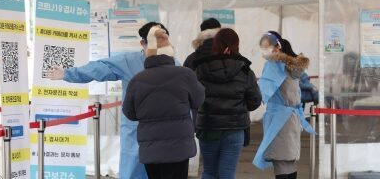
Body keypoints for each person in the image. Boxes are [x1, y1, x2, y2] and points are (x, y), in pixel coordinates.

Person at [45, 22, 170, 179]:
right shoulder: (129, 62)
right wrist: (68, 74)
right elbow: (99, 68)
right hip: (136, 133)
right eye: (152, 41)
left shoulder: (177, 67)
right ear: (142, 43)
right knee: (134, 172)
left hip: (165, 133)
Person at [122, 25, 205, 179]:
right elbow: (199, 100)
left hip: (150, 148)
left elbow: (129, 113)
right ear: (170, 52)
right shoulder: (185, 74)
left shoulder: (137, 80)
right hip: (179, 147)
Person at [193, 28, 262, 179]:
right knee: (227, 174)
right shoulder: (245, 70)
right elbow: (255, 101)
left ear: (215, 44)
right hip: (234, 128)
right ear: (236, 45)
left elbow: (194, 99)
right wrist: (240, 107)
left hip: (207, 127)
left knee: (208, 172)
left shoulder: (200, 69)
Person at [252, 31, 315, 179]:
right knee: (290, 161)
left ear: (277, 47)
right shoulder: (293, 66)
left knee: (280, 163)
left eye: (267, 46)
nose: (264, 50)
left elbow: (262, 92)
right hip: (293, 118)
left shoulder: (274, 65)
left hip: (278, 119)